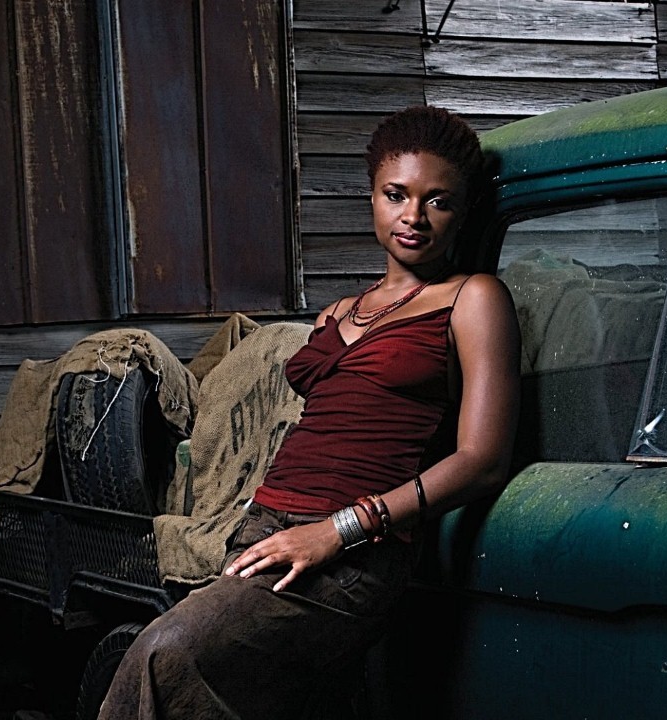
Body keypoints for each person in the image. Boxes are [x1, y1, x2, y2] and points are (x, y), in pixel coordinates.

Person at [98, 105, 521, 719]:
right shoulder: (340, 312)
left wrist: (338, 529)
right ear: (372, 196)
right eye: (396, 194)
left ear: (463, 210)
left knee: (164, 655)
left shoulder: (472, 298)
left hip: (353, 549)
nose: (413, 216)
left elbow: (482, 460)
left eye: (438, 201)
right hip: (265, 528)